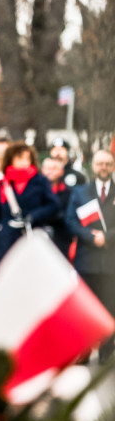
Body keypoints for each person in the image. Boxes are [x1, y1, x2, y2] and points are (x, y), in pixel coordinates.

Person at [65, 150, 115, 361]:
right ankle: (83, 351)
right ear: (93, 166)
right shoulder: (80, 192)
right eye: (99, 163)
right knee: (84, 309)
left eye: (107, 163)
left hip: (111, 262)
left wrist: (107, 237)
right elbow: (70, 221)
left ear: (112, 167)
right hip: (87, 260)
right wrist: (89, 236)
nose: (103, 167)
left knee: (110, 308)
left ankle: (106, 351)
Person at [0, 142, 60, 265]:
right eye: (20, 158)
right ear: (11, 159)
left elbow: (53, 205)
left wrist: (34, 216)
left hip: (32, 235)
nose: (25, 162)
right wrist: (0, 229)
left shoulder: (40, 181)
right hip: (7, 239)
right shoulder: (3, 183)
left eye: (28, 158)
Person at [40, 156, 74, 257]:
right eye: (47, 168)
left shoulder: (70, 193)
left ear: (62, 171)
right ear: (42, 170)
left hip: (62, 241)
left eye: (54, 168)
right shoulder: (35, 192)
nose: (50, 171)